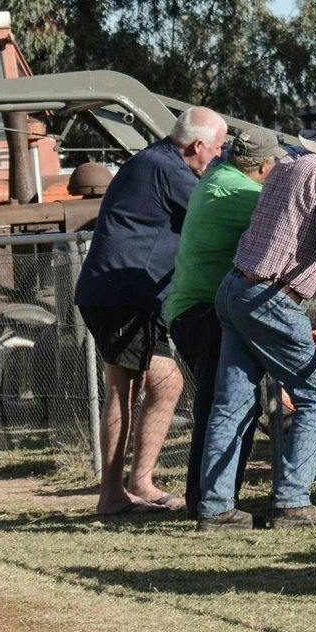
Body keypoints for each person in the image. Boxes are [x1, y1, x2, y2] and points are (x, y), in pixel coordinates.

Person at [196, 104, 316, 530]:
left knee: (233, 402)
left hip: (237, 286)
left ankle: (216, 508)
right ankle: (293, 502)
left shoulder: (289, 165)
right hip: (272, 295)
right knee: (315, 396)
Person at [75, 104, 229, 517]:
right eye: (217, 149)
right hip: (125, 295)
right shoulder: (169, 170)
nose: (219, 156)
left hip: (123, 294)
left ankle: (138, 481)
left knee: (164, 384)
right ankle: (111, 495)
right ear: (197, 145)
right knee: (125, 388)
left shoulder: (151, 161)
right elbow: (214, 212)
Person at [165, 127, 282, 517]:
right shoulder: (241, 193)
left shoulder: (217, 176)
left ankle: (210, 498)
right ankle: (210, 502)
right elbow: (287, 219)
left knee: (221, 405)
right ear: (265, 165)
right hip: (204, 311)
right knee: (226, 406)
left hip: (194, 309)